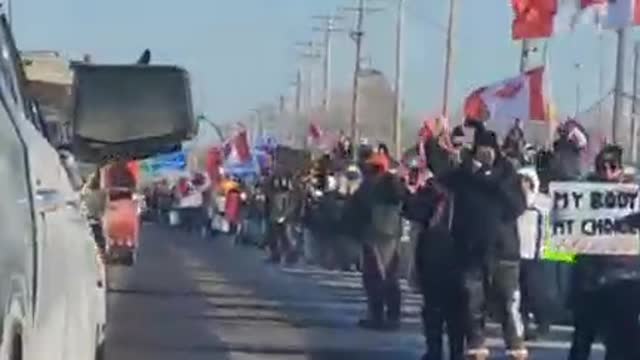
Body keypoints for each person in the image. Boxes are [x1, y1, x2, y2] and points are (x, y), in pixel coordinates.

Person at [441, 130, 528, 360]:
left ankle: (515, 343)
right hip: (471, 249)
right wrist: (436, 145)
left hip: (503, 249)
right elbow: (442, 175)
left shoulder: (508, 175)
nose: (487, 153)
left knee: (508, 300)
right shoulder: (464, 174)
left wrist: (495, 181)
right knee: (472, 299)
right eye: (482, 149)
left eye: (490, 149)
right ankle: (477, 341)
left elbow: (517, 206)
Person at [568, 145, 640, 360]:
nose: (607, 172)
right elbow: (563, 236)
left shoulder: (633, 196)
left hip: (624, 278)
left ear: (620, 168)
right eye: (602, 167)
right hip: (588, 278)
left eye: (612, 167)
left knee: (621, 343)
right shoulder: (579, 195)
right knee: (582, 339)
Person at [404, 164, 464, 360]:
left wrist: (414, 192)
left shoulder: (433, 195)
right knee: (454, 312)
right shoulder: (463, 195)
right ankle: (452, 352)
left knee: (435, 311)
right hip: (455, 257)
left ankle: (436, 351)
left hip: (435, 255)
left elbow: (411, 210)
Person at [347, 152, 406, 330]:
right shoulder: (391, 182)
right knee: (386, 276)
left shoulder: (375, 184)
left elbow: (356, 207)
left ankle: (381, 316)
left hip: (377, 233)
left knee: (377, 277)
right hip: (387, 232)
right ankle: (387, 316)